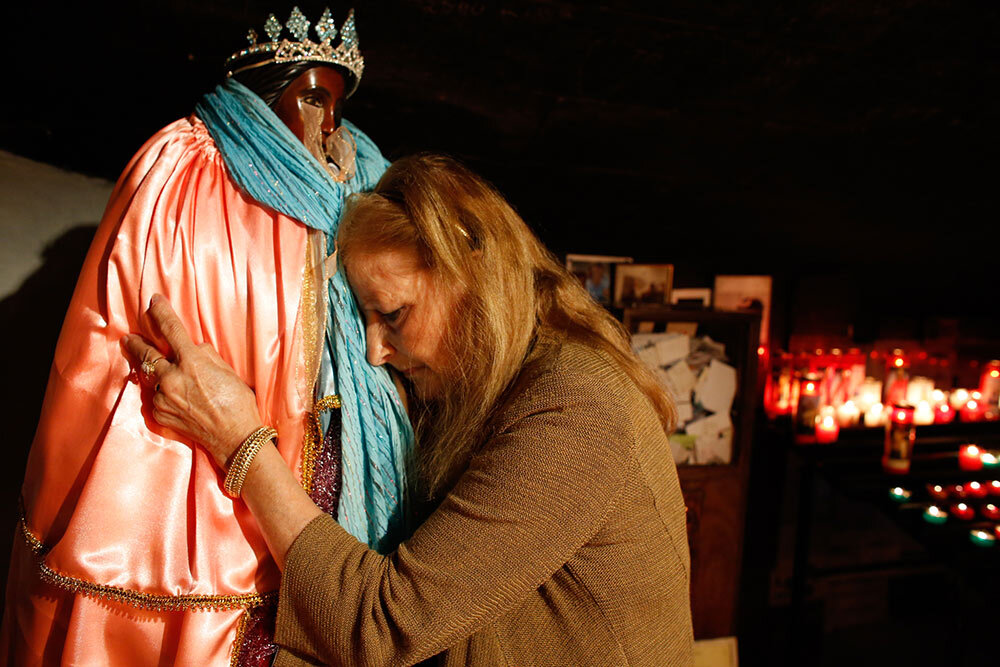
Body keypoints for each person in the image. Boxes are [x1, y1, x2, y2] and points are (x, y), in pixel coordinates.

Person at [123, 154, 696, 665]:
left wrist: (238, 438)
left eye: (393, 315)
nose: (375, 352)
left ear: (476, 279)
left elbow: (383, 626)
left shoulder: (577, 411)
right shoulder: (503, 383)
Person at [2, 7, 414, 665]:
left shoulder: (366, 182)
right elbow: (132, 351)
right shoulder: (184, 170)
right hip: (211, 489)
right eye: (312, 94)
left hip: (330, 474)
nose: (328, 123)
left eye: (337, 101)